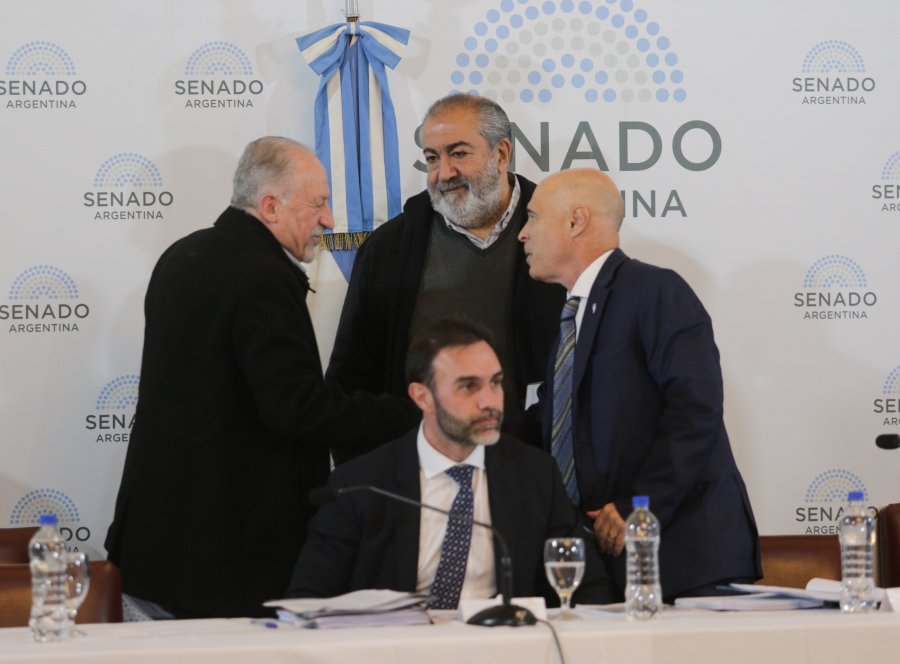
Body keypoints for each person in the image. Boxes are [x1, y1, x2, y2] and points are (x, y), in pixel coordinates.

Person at [104, 137, 419, 619]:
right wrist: (413, 414)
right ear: (270, 205)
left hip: (157, 544)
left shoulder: (182, 255)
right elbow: (297, 408)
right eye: (319, 203)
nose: (330, 219)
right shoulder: (261, 277)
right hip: (224, 558)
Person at [518, 168, 760, 602]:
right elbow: (559, 420)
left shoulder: (656, 291)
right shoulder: (571, 316)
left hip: (684, 559)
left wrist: (638, 508)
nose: (522, 234)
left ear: (576, 221)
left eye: (533, 218)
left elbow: (694, 411)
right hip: (606, 567)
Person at [287, 319, 614, 607]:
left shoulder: (534, 475)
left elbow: (589, 587)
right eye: (468, 386)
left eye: (496, 383)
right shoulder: (359, 486)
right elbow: (307, 600)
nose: (489, 401)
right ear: (422, 397)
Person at [325, 93, 564, 461]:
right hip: (417, 476)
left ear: (501, 154)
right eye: (433, 158)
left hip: (531, 473)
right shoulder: (389, 249)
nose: (444, 173)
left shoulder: (559, 236)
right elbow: (351, 381)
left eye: (459, 153)